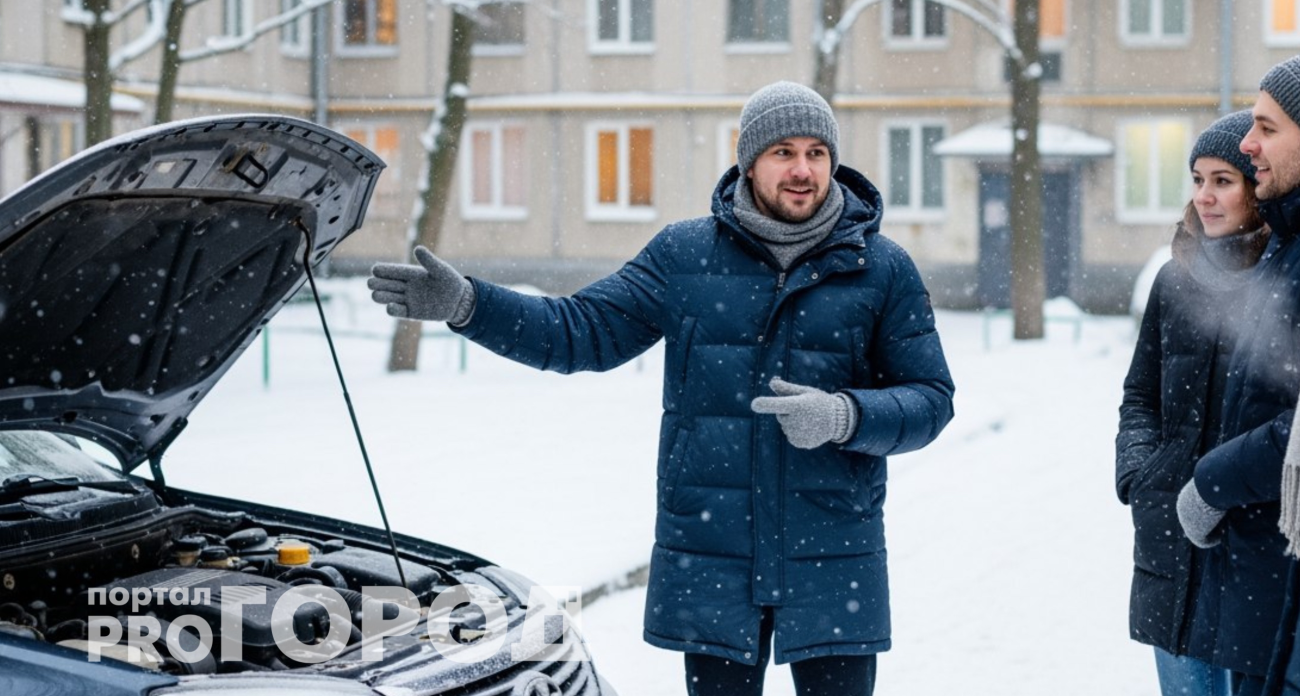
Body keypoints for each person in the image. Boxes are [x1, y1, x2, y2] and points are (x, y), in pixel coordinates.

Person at [368, 81, 954, 696]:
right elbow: (581, 332)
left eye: (816, 152)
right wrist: (469, 304)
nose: (802, 170)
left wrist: (845, 416)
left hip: (834, 554)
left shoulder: (880, 267)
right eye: (783, 151)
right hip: (711, 549)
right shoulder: (685, 255)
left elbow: (931, 399)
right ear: (749, 160)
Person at [1116, 110, 1267, 696]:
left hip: (1251, 539)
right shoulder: (1174, 279)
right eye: (1197, 179)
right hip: (1170, 538)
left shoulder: (1285, 278)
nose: (1204, 196)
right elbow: (1140, 394)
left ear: (1257, 186)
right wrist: (1140, 472)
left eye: (1223, 180)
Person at [1173, 55, 1300, 696]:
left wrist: (1211, 480)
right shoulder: (1285, 248)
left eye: (1267, 128)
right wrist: (1150, 477)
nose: (1251, 144)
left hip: (1275, 565)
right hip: (1256, 572)